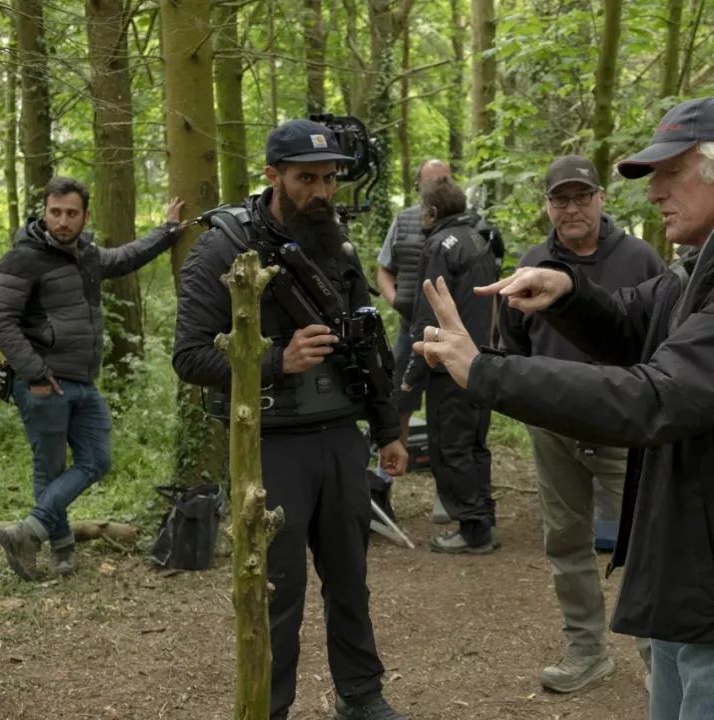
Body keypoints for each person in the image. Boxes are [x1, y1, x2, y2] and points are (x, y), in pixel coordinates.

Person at [410, 97, 714, 720]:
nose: (654, 191)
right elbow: (634, 321)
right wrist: (567, 292)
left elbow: (654, 397)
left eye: (671, 172)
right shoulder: (711, 264)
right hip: (692, 565)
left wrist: (485, 370)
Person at [172, 119, 409, 720]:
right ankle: (268, 707)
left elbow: (367, 344)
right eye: (307, 179)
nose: (322, 191)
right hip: (269, 444)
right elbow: (190, 356)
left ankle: (360, 694)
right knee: (277, 588)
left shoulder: (336, 242)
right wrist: (276, 360)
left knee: (350, 578)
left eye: (330, 179)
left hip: (341, 438)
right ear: (273, 176)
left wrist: (387, 429)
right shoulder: (222, 249)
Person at [498, 154, 664, 692]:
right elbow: (512, 347)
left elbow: (665, 340)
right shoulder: (531, 263)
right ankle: (586, 651)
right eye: (560, 199)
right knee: (566, 541)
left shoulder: (640, 258)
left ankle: (660, 658)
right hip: (553, 427)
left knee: (647, 540)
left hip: (624, 426)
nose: (572, 209)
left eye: (581, 197)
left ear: (601, 199)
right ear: (547, 206)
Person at [0, 177, 181, 580]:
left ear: (85, 216)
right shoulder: (23, 258)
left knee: (97, 460)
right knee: (49, 468)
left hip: (82, 380)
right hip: (43, 382)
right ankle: (61, 548)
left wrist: (168, 231)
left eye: (71, 213)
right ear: (44, 212)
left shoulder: (87, 255)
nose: (62, 221)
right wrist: (36, 374)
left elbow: (127, 257)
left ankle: (28, 533)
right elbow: (2, 320)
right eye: (55, 212)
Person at [400, 176, 498, 554]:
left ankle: (473, 529)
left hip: (449, 365)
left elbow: (429, 309)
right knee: (475, 444)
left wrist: (412, 372)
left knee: (450, 446)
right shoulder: (479, 238)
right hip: (482, 360)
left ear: (432, 211)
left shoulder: (441, 245)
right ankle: (483, 519)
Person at [374, 158, 452, 520]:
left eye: (444, 180)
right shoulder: (403, 220)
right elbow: (383, 269)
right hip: (409, 331)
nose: (436, 187)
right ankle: (381, 492)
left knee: (446, 411)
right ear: (418, 185)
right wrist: (396, 301)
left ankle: (448, 495)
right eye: (430, 181)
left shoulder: (466, 225)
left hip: (450, 335)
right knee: (397, 404)